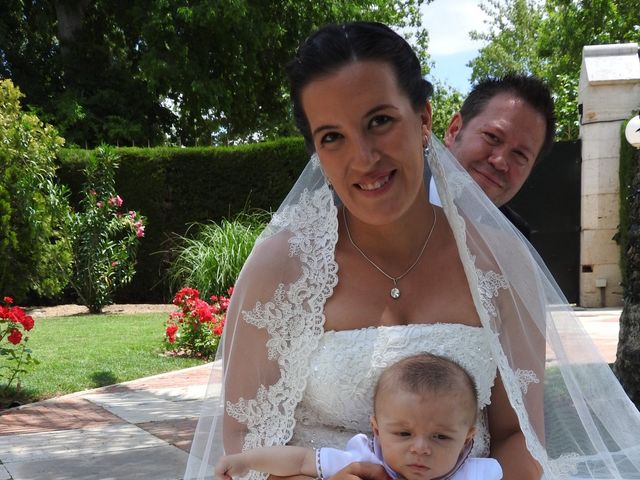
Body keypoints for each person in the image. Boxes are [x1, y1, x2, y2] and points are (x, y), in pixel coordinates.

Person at [185, 21, 640, 480]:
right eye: (332, 137)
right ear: (316, 152)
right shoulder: (279, 270)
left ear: (423, 120)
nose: (363, 158)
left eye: (379, 121)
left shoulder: (501, 264)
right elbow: (245, 441)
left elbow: (518, 436)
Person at [214, 353, 502, 480]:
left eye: (440, 436)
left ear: (467, 438)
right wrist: (247, 461)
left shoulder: (477, 473)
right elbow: (299, 459)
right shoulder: (364, 462)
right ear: (376, 429)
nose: (420, 448)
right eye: (403, 433)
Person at [430, 74, 556, 239]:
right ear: (454, 130)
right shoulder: (394, 196)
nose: (500, 161)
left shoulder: (516, 239)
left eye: (520, 154)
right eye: (492, 137)